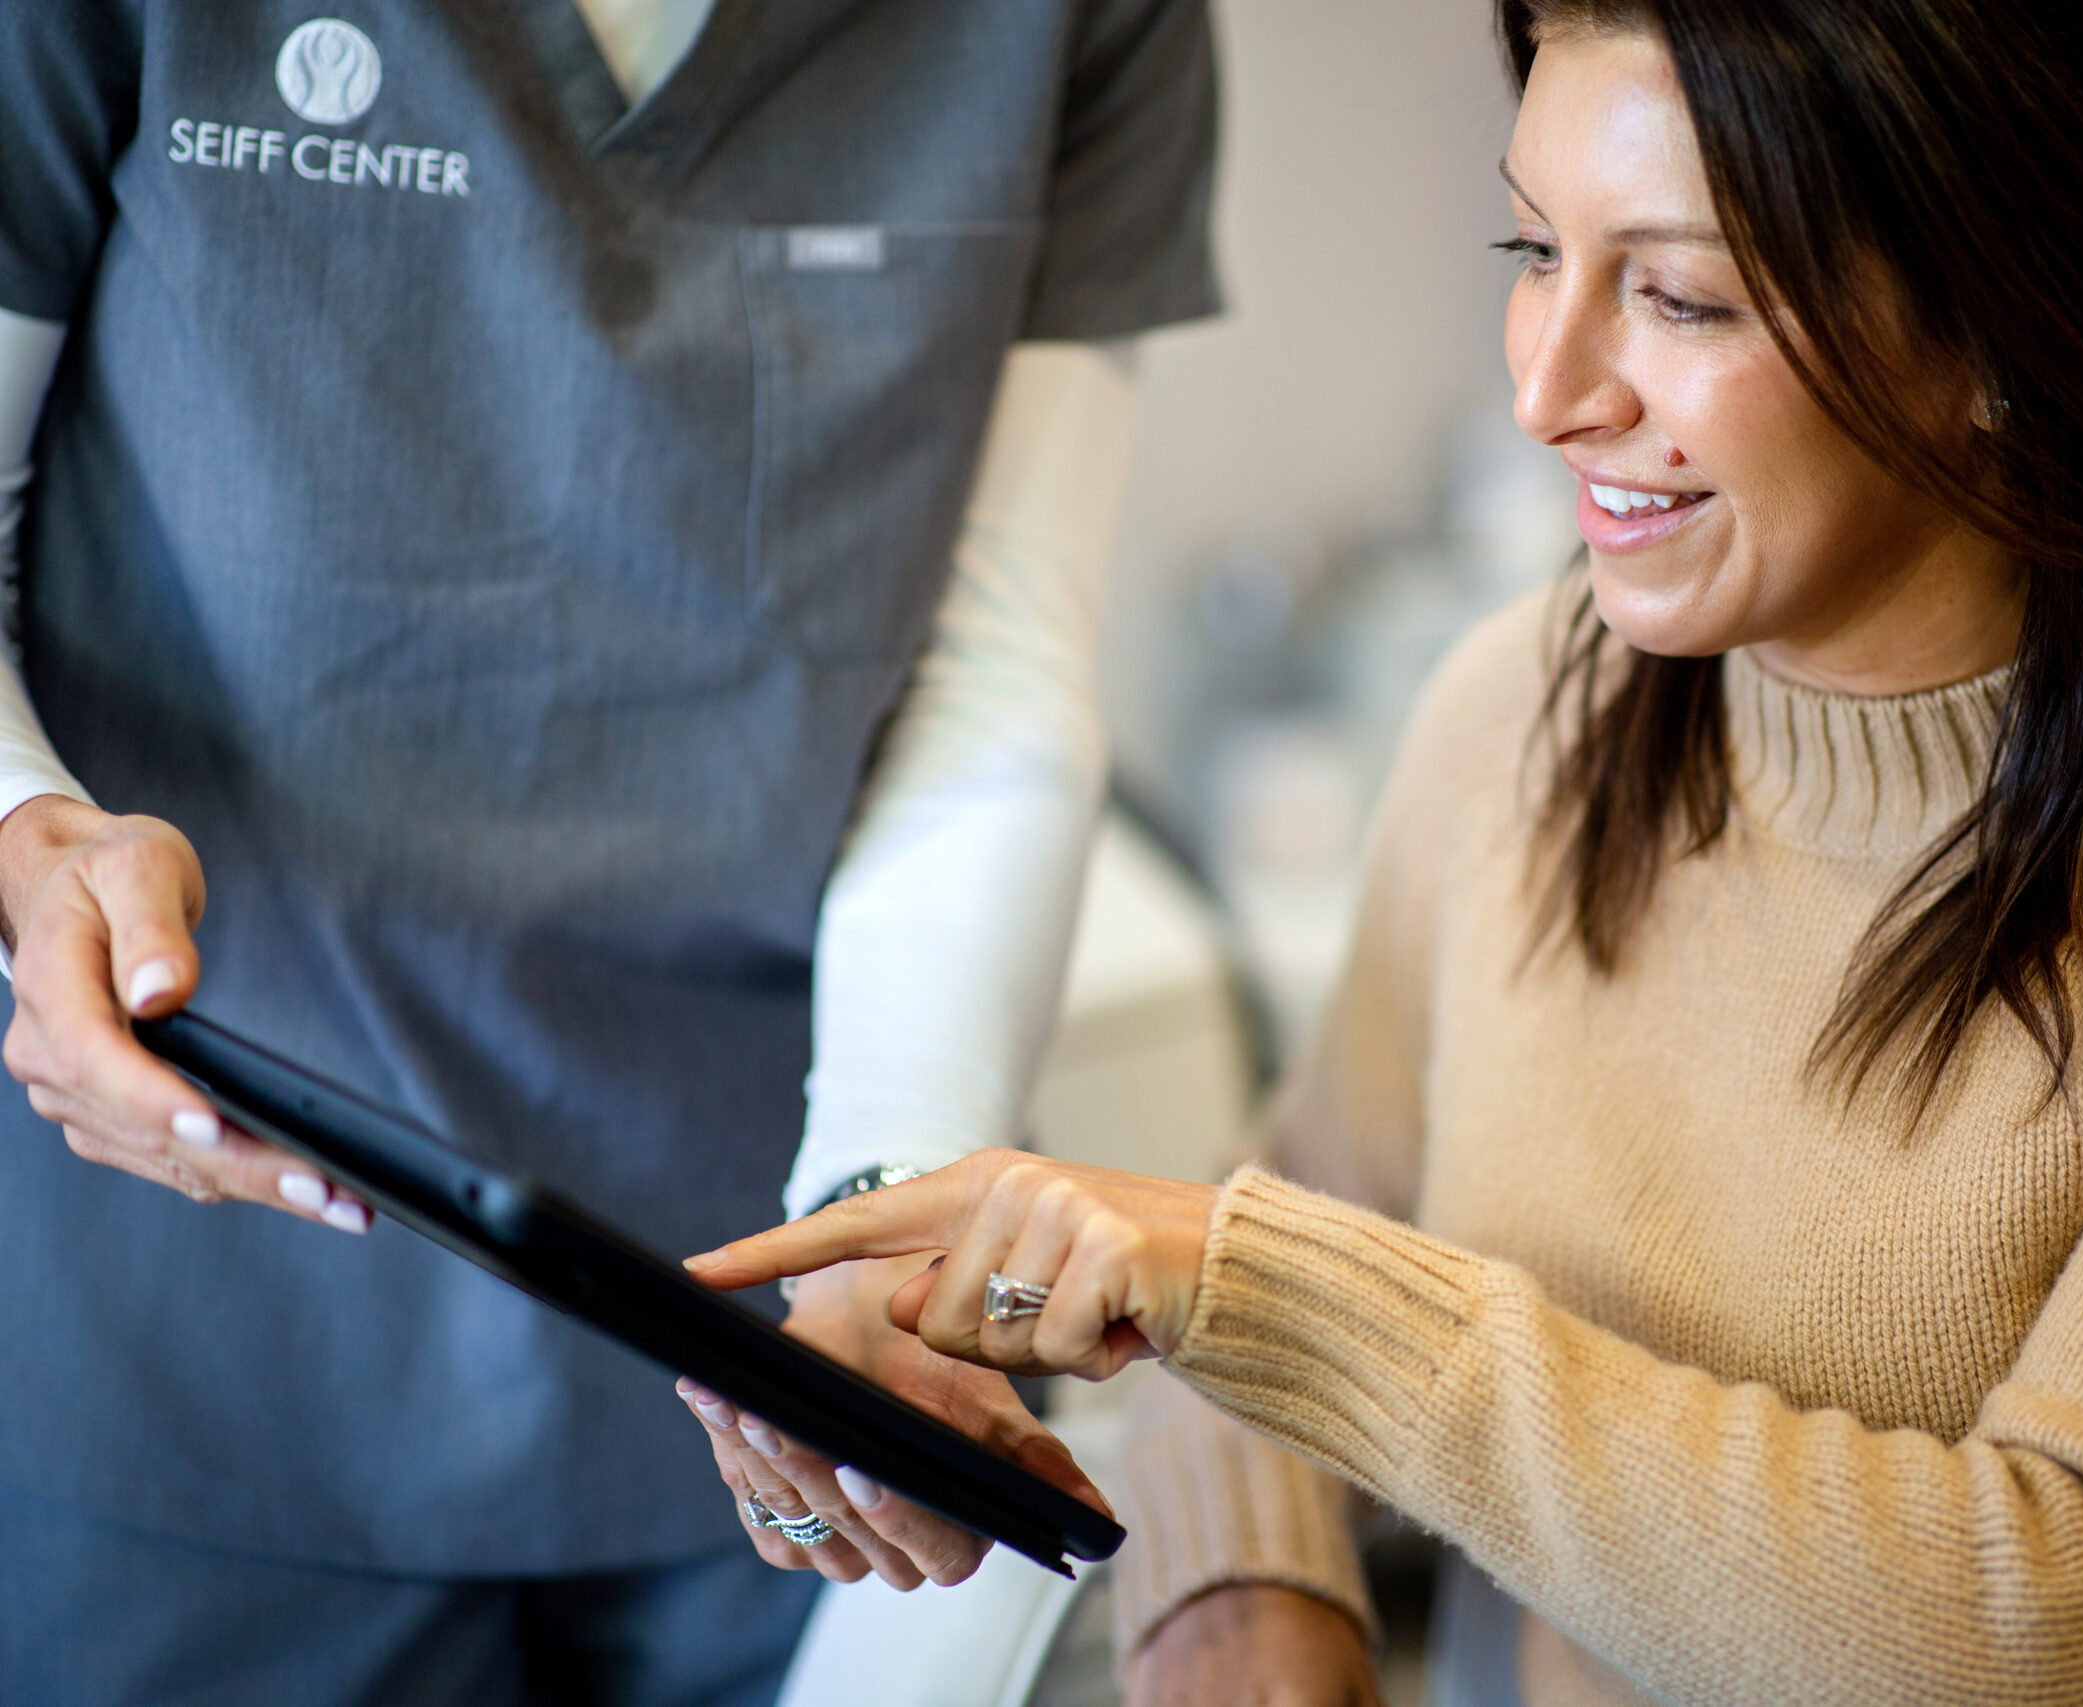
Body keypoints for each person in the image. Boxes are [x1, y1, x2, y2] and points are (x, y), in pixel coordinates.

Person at [683, 1, 2083, 1702]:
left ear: (2013, 326)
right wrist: (1244, 1590)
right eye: (1532, 251)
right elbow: (1290, 1211)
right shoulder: (1526, 712)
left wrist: (1259, 1296)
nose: (1547, 387)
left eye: (1679, 298)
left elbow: (2051, 1641)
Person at [0, 1, 1212, 1702]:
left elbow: (988, 667)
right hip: (200, 1341)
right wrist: (21, 838)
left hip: (782, 1324)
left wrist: (887, 1203)